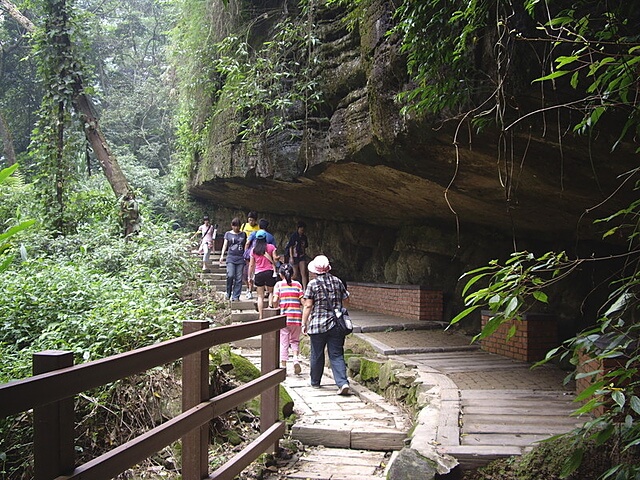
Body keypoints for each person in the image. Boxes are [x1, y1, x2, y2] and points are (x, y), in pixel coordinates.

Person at [302, 254, 350, 395]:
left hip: (318, 324)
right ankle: (342, 383)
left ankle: (315, 381)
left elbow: (308, 305)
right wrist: (340, 309)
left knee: (317, 353)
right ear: (328, 268)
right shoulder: (337, 281)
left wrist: (304, 323)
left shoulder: (313, 284)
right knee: (336, 354)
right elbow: (346, 300)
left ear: (315, 270)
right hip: (336, 324)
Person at [273, 263, 304, 375]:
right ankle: (295, 359)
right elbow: (303, 301)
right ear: (292, 273)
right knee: (295, 340)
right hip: (297, 318)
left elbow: (275, 300)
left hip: (284, 318)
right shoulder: (298, 285)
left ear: (281, 274)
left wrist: (274, 304)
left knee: (284, 342)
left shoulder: (279, 285)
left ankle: (284, 365)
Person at [248, 230, 278, 319]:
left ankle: (261, 316)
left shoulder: (254, 250)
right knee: (271, 292)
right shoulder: (271, 247)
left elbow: (251, 264)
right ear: (265, 238)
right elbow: (275, 260)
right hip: (269, 272)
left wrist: (249, 276)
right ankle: (270, 308)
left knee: (260, 296)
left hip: (259, 273)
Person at [218, 218, 247, 301]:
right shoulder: (228, 234)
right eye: (234, 226)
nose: (236, 228)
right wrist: (222, 255)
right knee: (230, 275)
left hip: (240, 258)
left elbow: (245, 245)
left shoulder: (243, 234)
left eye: (237, 226)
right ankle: (228, 292)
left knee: (238, 278)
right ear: (232, 226)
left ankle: (236, 296)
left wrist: (246, 256)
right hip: (231, 257)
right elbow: (225, 245)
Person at [241, 212, 260, 299]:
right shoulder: (244, 226)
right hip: (246, 250)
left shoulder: (258, 228)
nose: (250, 222)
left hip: (255, 252)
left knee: (251, 271)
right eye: (249, 220)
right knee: (245, 272)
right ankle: (248, 288)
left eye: (252, 220)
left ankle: (250, 289)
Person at [286, 221, 309, 289]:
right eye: (301, 229)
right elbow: (291, 246)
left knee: (303, 273)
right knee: (295, 274)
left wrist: (304, 255)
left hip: (301, 256)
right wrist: (291, 257)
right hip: (295, 256)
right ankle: (290, 286)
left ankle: (304, 288)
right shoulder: (294, 236)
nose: (302, 231)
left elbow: (305, 247)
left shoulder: (304, 237)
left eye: (303, 230)